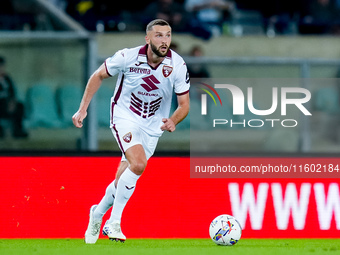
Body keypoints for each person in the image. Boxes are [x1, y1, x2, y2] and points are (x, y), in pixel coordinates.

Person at [72, 19, 190, 243]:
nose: (164, 41)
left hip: (153, 126)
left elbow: (184, 105)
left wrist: (173, 120)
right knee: (138, 164)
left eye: (168, 35)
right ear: (147, 39)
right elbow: (98, 75)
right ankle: (113, 223)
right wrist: (82, 109)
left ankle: (96, 214)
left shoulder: (178, 65)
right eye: (158, 35)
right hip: (125, 117)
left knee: (123, 178)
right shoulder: (127, 57)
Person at [0, 56, 28, 138]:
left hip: (8, 103)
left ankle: (18, 130)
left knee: (20, 106)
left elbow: (13, 92)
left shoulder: (7, 78)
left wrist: (12, 102)